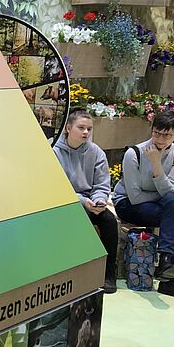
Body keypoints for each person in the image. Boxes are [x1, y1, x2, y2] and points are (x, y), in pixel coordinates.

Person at [112, 110, 174, 300]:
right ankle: (170, 277)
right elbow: (135, 196)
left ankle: (166, 262)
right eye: (156, 133)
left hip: (159, 205)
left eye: (167, 135)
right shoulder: (133, 153)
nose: (160, 139)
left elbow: (170, 193)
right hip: (127, 204)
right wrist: (155, 166)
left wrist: (157, 165)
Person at [53, 108, 118, 294]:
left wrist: (99, 201)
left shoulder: (96, 152)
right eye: (81, 127)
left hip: (90, 202)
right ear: (68, 128)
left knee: (109, 222)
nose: (86, 133)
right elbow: (56, 188)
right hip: (63, 204)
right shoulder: (54, 151)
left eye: (89, 129)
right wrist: (82, 201)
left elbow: (102, 183)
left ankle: (108, 274)